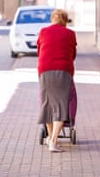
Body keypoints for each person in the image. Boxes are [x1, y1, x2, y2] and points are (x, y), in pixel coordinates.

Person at [37, 9, 77, 152]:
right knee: (61, 105)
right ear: (65, 20)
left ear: (52, 19)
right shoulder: (70, 34)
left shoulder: (43, 31)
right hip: (64, 70)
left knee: (47, 103)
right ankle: (53, 141)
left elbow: (39, 50)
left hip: (45, 70)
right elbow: (73, 54)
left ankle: (50, 139)